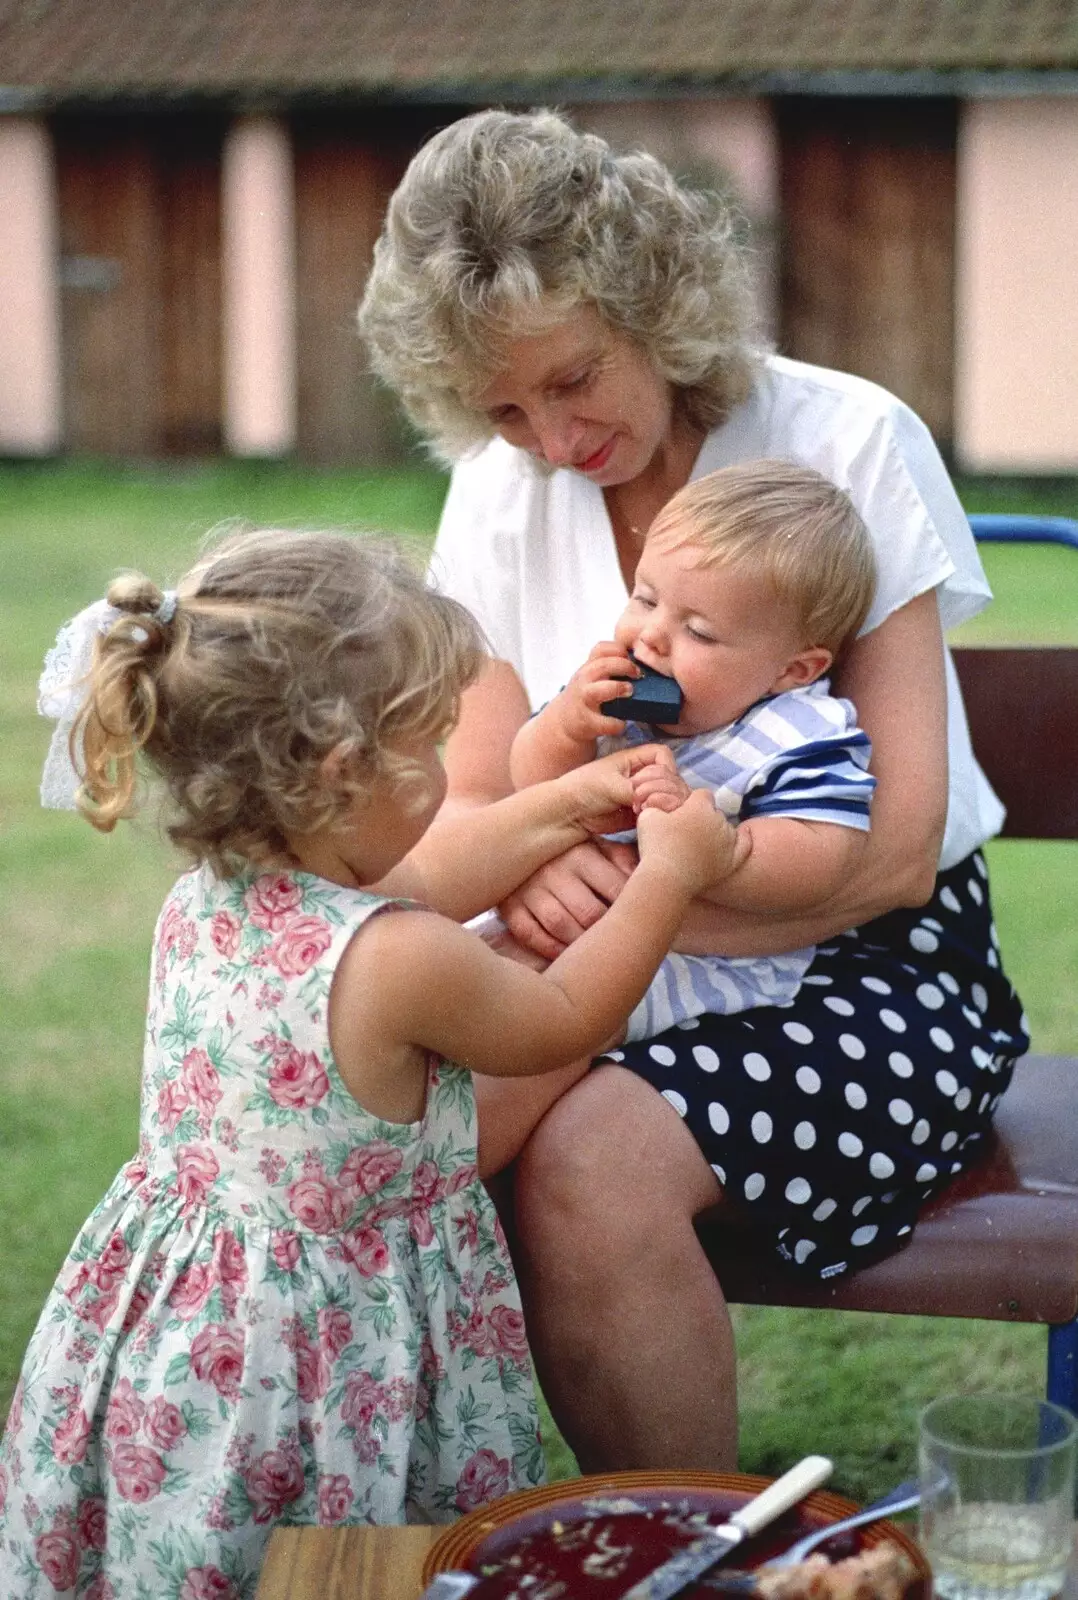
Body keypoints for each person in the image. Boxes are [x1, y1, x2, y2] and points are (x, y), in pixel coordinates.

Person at [358, 107, 1029, 1473]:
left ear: (649, 304)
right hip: (589, 943)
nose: (548, 437)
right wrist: (538, 866)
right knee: (385, 1133)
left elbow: (893, 851)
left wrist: (618, 905)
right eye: (500, 406)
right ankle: (369, 1500)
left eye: (573, 378)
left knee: (589, 1159)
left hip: (868, 966)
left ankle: (680, 1547)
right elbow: (474, 806)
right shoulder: (497, 491)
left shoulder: (843, 439)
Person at [0, 528, 738, 1594]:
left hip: (197, 1339)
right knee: (351, 1572)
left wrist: (571, 800)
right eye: (433, 748)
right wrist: (672, 873)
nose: (450, 772)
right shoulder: (398, 957)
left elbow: (425, 866)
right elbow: (564, 1014)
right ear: (346, 772)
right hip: (334, 1360)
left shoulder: (211, 900)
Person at [511, 459, 879, 1044]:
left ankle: (466, 1134)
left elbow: (823, 857)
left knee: (525, 1029)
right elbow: (530, 787)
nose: (652, 636)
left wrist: (723, 852)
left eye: (699, 632)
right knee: (458, 976)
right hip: (576, 918)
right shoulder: (611, 691)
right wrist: (563, 728)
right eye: (646, 598)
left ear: (791, 670)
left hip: (697, 961)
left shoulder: (801, 733)